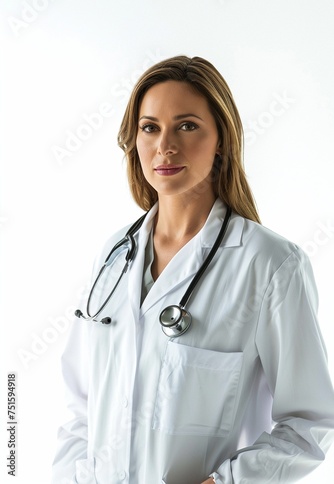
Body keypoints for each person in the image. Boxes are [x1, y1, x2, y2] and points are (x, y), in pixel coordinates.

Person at [52, 55, 334, 484]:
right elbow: (79, 404)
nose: (165, 145)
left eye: (187, 125)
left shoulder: (270, 265)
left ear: (221, 138)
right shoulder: (113, 255)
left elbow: (311, 422)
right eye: (150, 127)